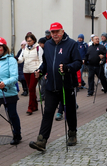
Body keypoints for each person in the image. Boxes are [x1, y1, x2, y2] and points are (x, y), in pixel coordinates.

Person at [29, 22, 82, 151]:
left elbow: (78, 62)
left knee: (69, 112)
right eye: (52, 32)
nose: (55, 34)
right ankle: (42, 140)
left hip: (66, 85)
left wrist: (68, 68)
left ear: (62, 31)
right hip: (51, 85)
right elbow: (46, 63)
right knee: (48, 112)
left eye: (57, 32)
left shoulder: (71, 44)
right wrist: (40, 71)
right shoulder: (48, 45)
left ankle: (72, 134)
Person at [18, 32, 43, 115]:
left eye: (30, 40)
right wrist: (16, 59)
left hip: (34, 70)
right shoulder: (24, 48)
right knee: (30, 88)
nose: (28, 42)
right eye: (27, 41)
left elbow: (41, 60)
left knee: (32, 88)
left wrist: (38, 69)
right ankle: (35, 105)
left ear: (34, 40)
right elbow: (22, 59)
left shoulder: (38, 48)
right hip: (26, 70)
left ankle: (30, 107)